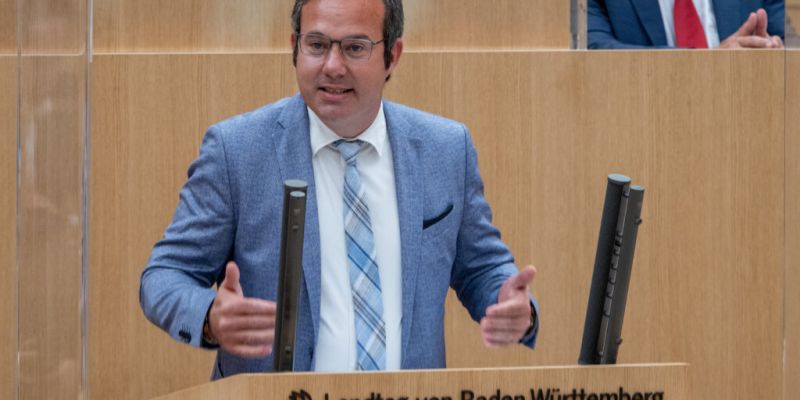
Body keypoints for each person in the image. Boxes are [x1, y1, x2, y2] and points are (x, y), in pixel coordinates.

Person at [139, 0, 539, 379]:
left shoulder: (445, 149)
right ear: (294, 47)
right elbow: (165, 276)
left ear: (393, 56)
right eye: (316, 45)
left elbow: (482, 268)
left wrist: (511, 304)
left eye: (354, 48)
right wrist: (210, 316)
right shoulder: (237, 152)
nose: (332, 66)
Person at [588, 0, 785, 49]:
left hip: (744, 123)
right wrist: (711, 65)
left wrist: (771, 48)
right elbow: (593, 51)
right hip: (641, 124)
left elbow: (785, 38)